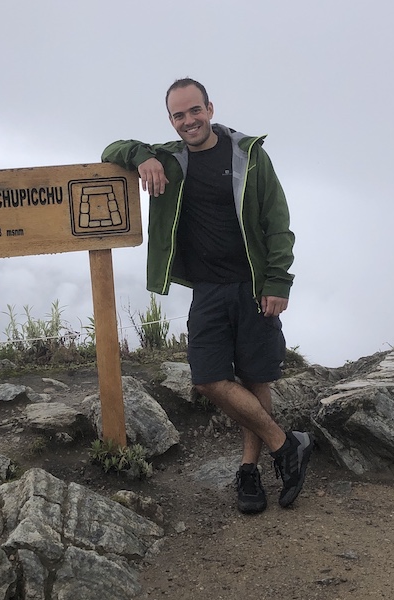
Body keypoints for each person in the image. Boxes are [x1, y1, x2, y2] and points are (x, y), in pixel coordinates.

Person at [101, 78, 312, 513]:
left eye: (194, 111)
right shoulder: (169, 160)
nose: (188, 121)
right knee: (208, 377)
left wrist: (278, 282)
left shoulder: (248, 155)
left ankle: (250, 473)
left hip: (253, 286)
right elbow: (111, 149)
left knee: (255, 377)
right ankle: (286, 445)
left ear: (210, 109)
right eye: (178, 115)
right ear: (171, 120)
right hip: (208, 290)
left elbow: (278, 221)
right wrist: (142, 157)